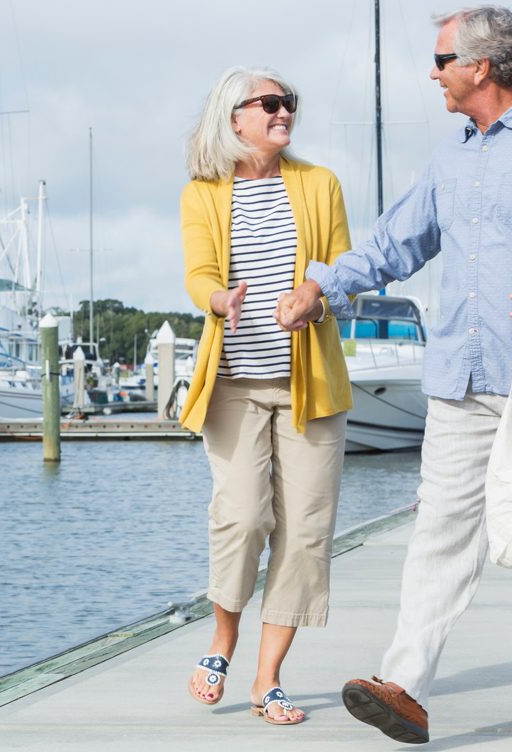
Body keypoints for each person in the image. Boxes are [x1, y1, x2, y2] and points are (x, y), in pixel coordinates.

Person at [276, 5, 512, 744]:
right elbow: (394, 242)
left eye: (442, 59)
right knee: (440, 529)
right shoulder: (449, 159)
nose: (432, 72)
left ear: (480, 66)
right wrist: (323, 285)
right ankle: (405, 687)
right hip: (459, 373)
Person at [180, 66, 352, 726]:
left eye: (290, 104)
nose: (284, 112)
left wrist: (314, 302)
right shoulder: (202, 192)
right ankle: (222, 638)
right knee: (243, 518)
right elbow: (198, 270)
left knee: (306, 535)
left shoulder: (318, 184)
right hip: (233, 386)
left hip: (309, 389)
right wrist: (217, 300)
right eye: (271, 103)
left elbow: (341, 275)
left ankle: (267, 677)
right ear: (235, 118)